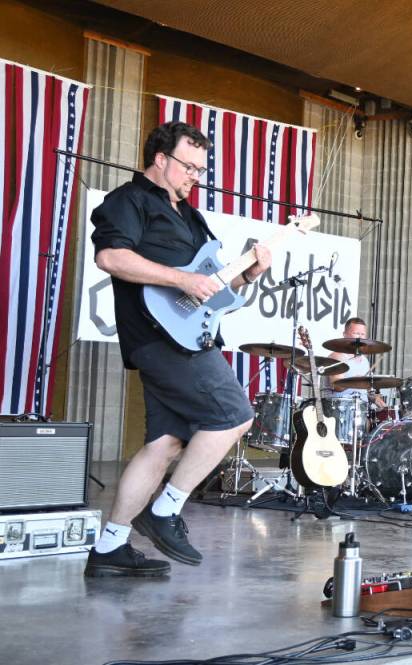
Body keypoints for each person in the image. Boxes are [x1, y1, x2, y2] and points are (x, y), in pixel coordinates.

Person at [84, 121, 271, 577]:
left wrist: (248, 273)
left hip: (184, 335)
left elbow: (213, 285)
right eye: (189, 166)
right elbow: (110, 257)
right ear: (160, 159)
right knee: (234, 415)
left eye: (202, 169)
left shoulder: (190, 215)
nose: (196, 176)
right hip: (159, 337)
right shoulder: (128, 201)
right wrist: (182, 279)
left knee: (163, 445)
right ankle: (165, 510)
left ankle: (109, 549)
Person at [327, 317, 387, 411]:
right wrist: (354, 381)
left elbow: (362, 390)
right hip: (341, 410)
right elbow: (336, 386)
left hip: (361, 411)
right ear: (344, 334)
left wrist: (376, 399)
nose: (360, 337)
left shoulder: (364, 361)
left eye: (362, 334)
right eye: (356, 333)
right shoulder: (337, 356)